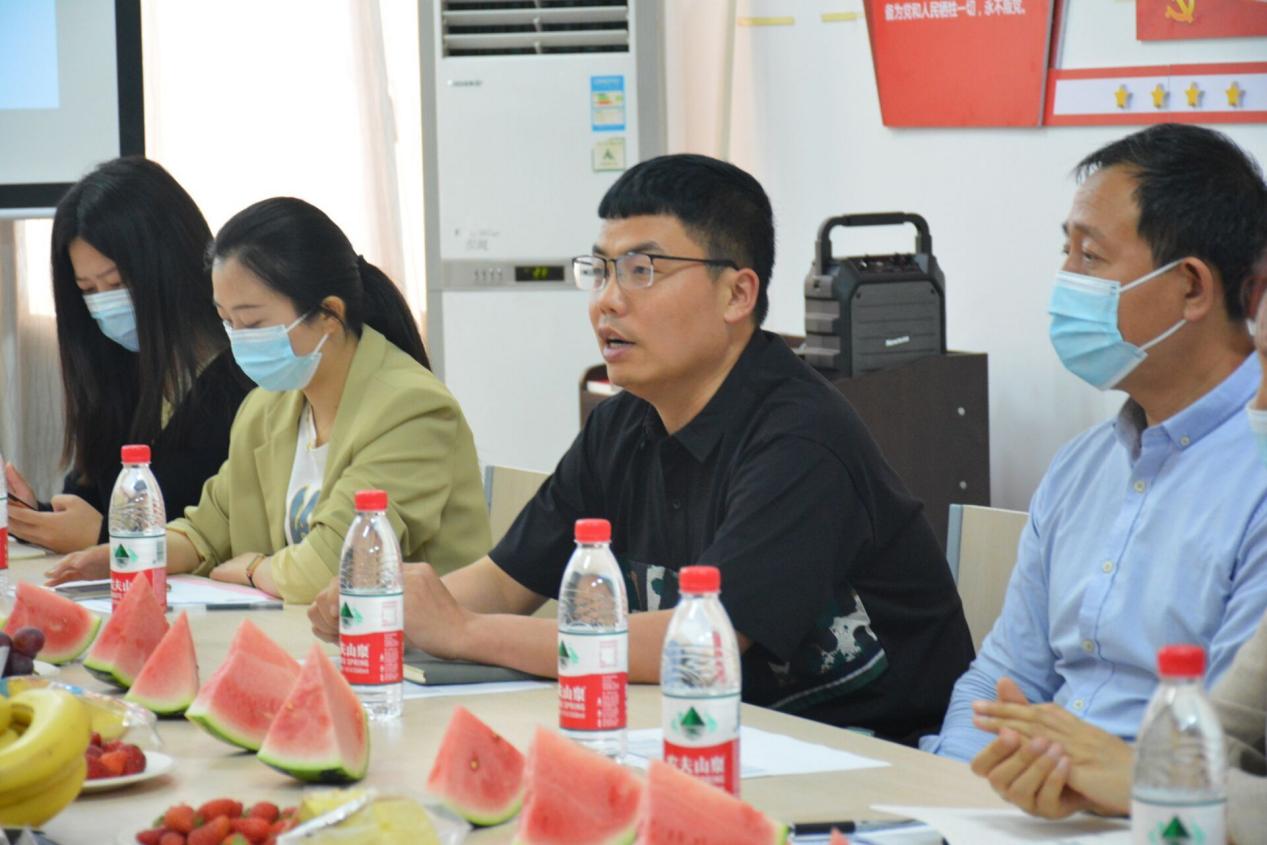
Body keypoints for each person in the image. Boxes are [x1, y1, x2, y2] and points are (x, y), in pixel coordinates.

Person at [308, 153, 974, 743]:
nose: (607, 302)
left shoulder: (801, 441)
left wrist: (461, 631)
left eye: (641, 270)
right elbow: (506, 582)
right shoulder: (621, 425)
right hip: (708, 739)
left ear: (736, 293)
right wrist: (385, 609)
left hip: (875, 762)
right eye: (600, 271)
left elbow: (698, 642)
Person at [922, 123, 1267, 768]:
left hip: (1159, 801)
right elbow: (1001, 678)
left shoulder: (1256, 467)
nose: (1065, 280)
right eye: (1067, 251)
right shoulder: (1082, 465)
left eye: (1090, 257)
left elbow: (1232, 739)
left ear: (1192, 287)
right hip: (1028, 797)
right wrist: (951, 790)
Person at [45, 197, 491, 603]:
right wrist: (131, 554)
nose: (238, 340)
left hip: (409, 648)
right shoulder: (266, 408)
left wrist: (255, 569)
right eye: (227, 322)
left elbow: (333, 567)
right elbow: (206, 531)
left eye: (253, 323)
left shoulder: (410, 409)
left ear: (329, 314)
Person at [968, 262, 1267, 845]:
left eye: (1091, 255)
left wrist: (1137, 780)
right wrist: (1105, 779)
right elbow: (1216, 739)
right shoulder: (1081, 462)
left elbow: (1185, 771)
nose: (1257, 404)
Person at [6, 156, 253, 554]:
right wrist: (34, 516)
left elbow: (226, 534)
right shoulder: (116, 366)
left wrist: (105, 537)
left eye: (117, 283)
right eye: (88, 290)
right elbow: (90, 505)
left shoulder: (247, 378)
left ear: (169, 264)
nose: (106, 305)